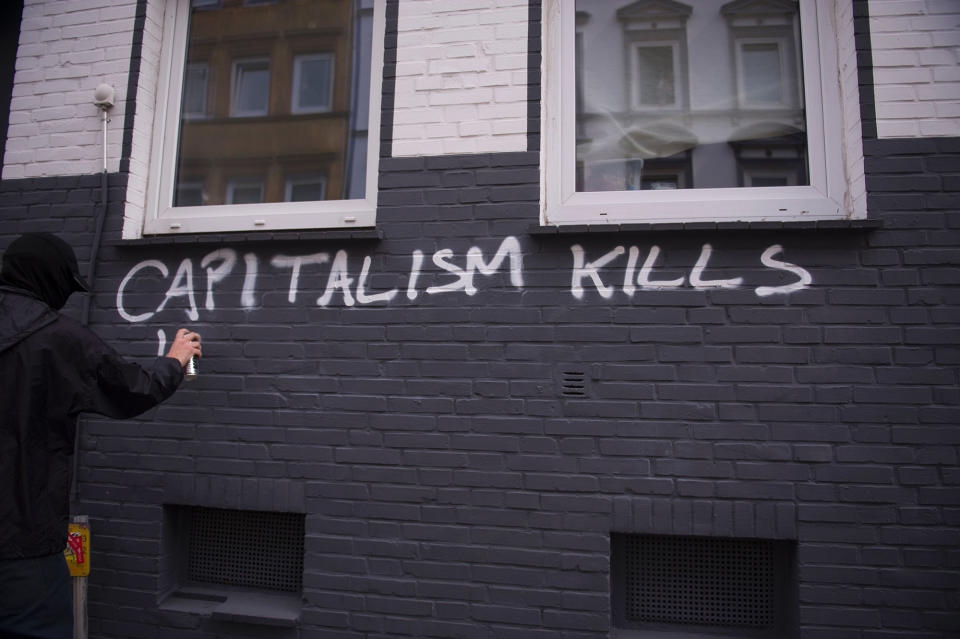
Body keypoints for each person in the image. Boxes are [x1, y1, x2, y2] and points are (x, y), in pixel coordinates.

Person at [0, 233, 201, 639]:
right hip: (21, 542)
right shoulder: (56, 339)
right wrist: (175, 363)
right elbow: (132, 389)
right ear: (49, 279)